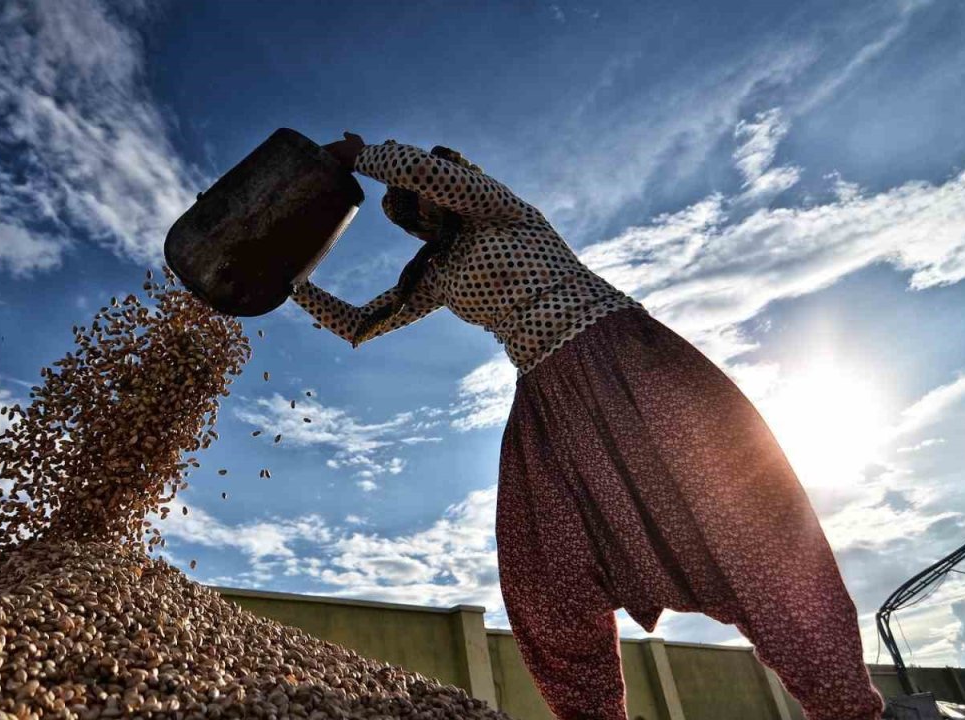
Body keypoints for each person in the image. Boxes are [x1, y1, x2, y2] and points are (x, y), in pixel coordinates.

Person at [291, 132, 886, 720]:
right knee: (542, 565)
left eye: (416, 187)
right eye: (407, 206)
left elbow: (437, 176)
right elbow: (361, 323)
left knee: (742, 519)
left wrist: (360, 154)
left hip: (627, 362)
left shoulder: (506, 213)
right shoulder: (436, 274)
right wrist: (290, 284)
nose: (419, 205)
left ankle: (844, 706)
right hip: (549, 403)